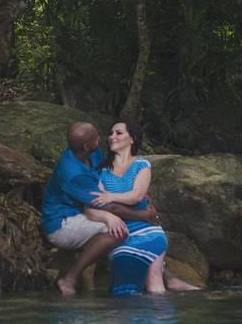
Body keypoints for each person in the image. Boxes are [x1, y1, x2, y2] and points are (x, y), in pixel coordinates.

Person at [41, 122, 159, 296]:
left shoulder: (92, 152)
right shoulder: (73, 173)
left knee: (132, 220)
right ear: (86, 145)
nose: (102, 138)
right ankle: (70, 278)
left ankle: (163, 274)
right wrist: (143, 215)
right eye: (96, 138)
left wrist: (138, 192)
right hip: (63, 223)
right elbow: (109, 206)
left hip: (85, 209)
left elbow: (105, 178)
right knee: (118, 231)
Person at [90, 120, 170, 296]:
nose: (112, 137)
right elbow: (101, 203)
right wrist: (110, 203)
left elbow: (137, 196)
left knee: (154, 281)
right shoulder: (102, 170)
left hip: (148, 231)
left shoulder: (141, 165)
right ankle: (128, 319)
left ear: (132, 139)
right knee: (125, 259)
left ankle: (159, 321)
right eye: (110, 133)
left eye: (118, 133)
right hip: (119, 233)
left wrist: (112, 196)